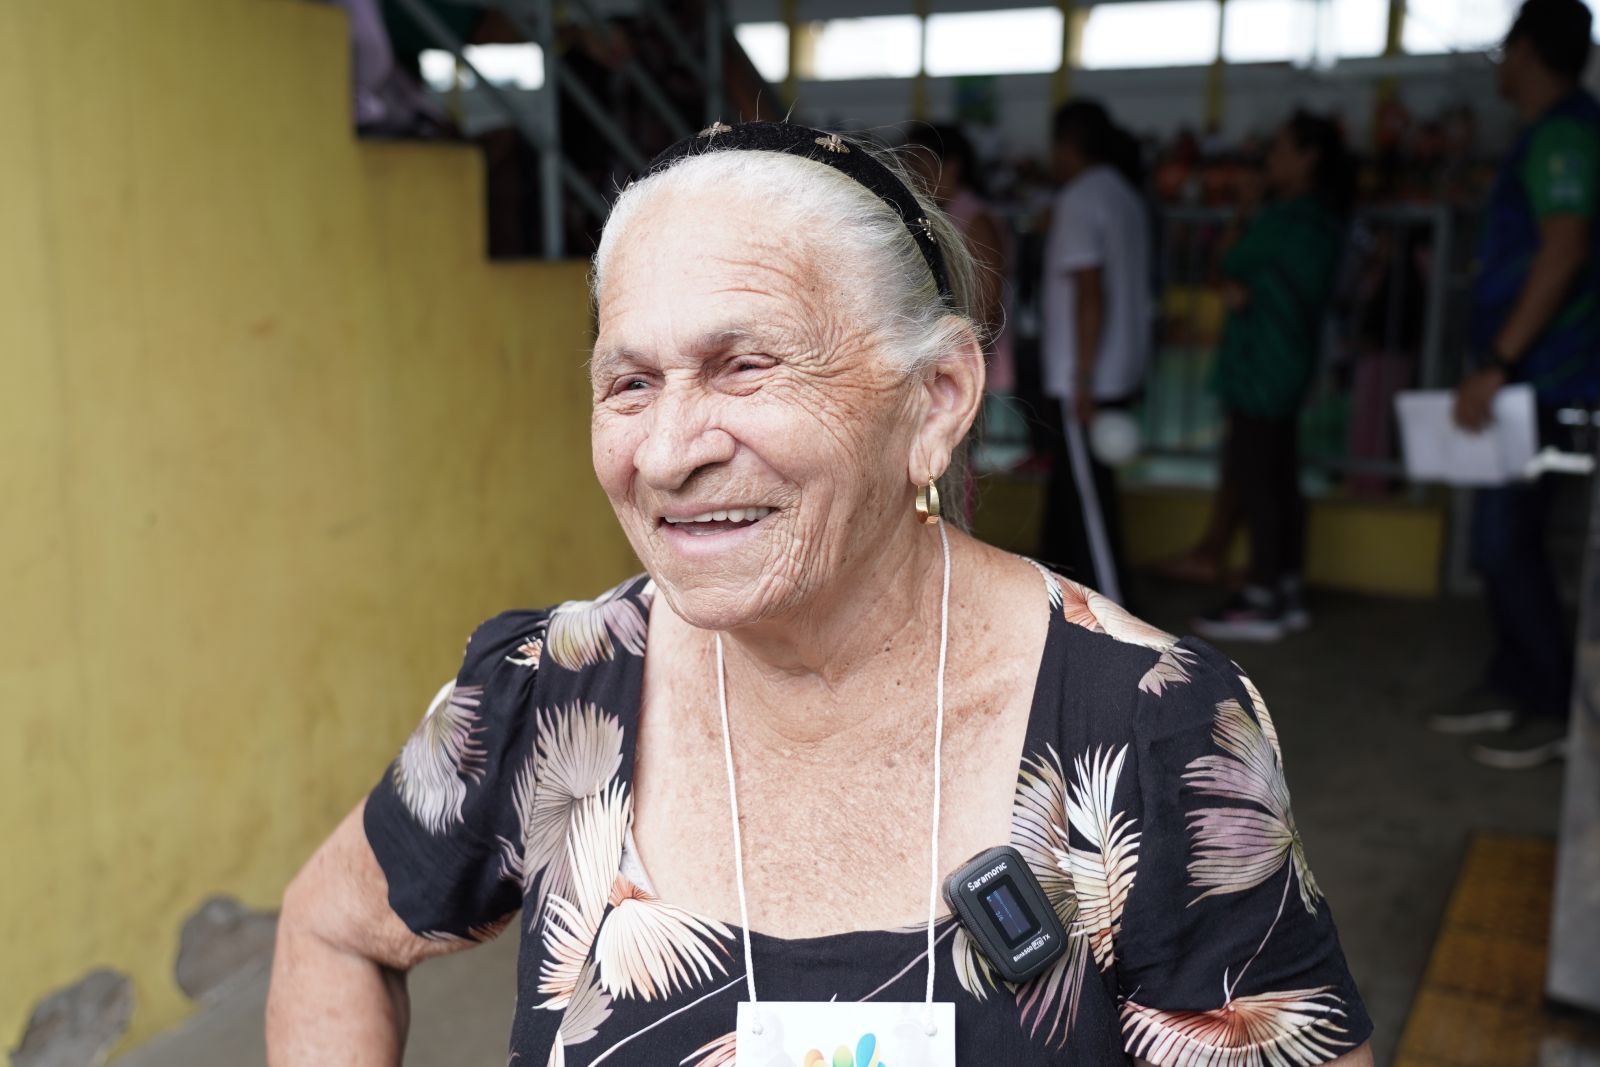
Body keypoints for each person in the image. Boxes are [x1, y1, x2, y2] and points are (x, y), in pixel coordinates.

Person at [265, 121, 1374, 1067]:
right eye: (629, 382)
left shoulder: (1151, 729)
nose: (667, 453)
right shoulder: (551, 687)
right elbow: (333, 928)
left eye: (744, 365)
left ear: (937, 399)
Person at [1430, 0, 1598, 770]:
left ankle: (1550, 702)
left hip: (1545, 376)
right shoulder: (1546, 133)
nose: (1499, 63)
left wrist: (1499, 360)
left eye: (1505, 49)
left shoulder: (1566, 132)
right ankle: (1512, 682)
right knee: (1503, 538)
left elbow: (1564, 248)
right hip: (1523, 374)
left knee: (1506, 537)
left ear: (1527, 51)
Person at [1190, 111, 1353, 643]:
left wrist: (1243, 213)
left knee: (1260, 479)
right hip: (1286, 364)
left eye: (1281, 149)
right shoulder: (1320, 222)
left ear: (1309, 158)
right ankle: (1285, 587)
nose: (1272, 160)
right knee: (1279, 476)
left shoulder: (1288, 222)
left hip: (1263, 367)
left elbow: (1227, 260)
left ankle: (1263, 596)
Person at [1038, 100, 1153, 606]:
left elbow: (1090, 291)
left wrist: (1082, 376)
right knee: (1072, 492)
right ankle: (1058, 593)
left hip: (1086, 374)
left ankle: (1114, 609)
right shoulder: (1123, 194)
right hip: (1117, 366)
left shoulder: (1082, 198)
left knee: (1089, 504)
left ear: (1068, 146)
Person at [904, 123, 1015, 396]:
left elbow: (988, 305)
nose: (912, 175)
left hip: (973, 377)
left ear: (951, 166)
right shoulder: (943, 215)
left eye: (920, 165)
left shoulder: (974, 219)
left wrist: (967, 370)